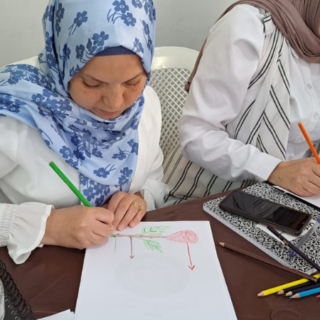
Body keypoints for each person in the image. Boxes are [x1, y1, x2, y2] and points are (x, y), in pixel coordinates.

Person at [0, 0, 167, 264]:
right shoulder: (14, 111)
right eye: (92, 83)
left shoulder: (145, 104)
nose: (115, 103)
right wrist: (47, 226)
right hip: (34, 278)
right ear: (63, 62)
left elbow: (154, 172)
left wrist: (139, 198)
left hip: (123, 267)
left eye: (132, 82)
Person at [178, 0, 320, 199]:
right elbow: (196, 134)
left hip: (295, 203)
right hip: (217, 197)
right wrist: (273, 169)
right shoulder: (249, 25)